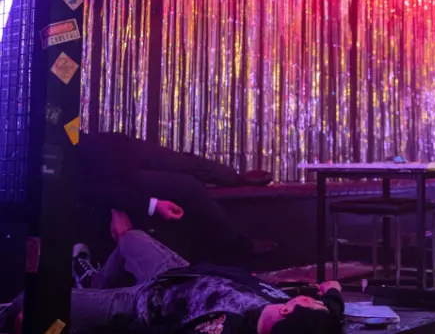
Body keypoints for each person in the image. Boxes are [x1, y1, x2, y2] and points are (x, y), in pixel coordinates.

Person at [1, 211, 344, 334]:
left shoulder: (226, 329)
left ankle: (10, 311)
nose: (311, 297)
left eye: (309, 301)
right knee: (131, 238)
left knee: (37, 302)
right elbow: (331, 312)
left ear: (288, 311)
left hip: (143, 303)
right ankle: (91, 280)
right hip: (178, 272)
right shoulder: (291, 312)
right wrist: (332, 292)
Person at [76, 132, 273, 269]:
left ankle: (237, 178)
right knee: (190, 186)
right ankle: (237, 245)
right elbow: (88, 182)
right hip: (115, 177)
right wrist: (125, 206)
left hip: (115, 149)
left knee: (186, 162)